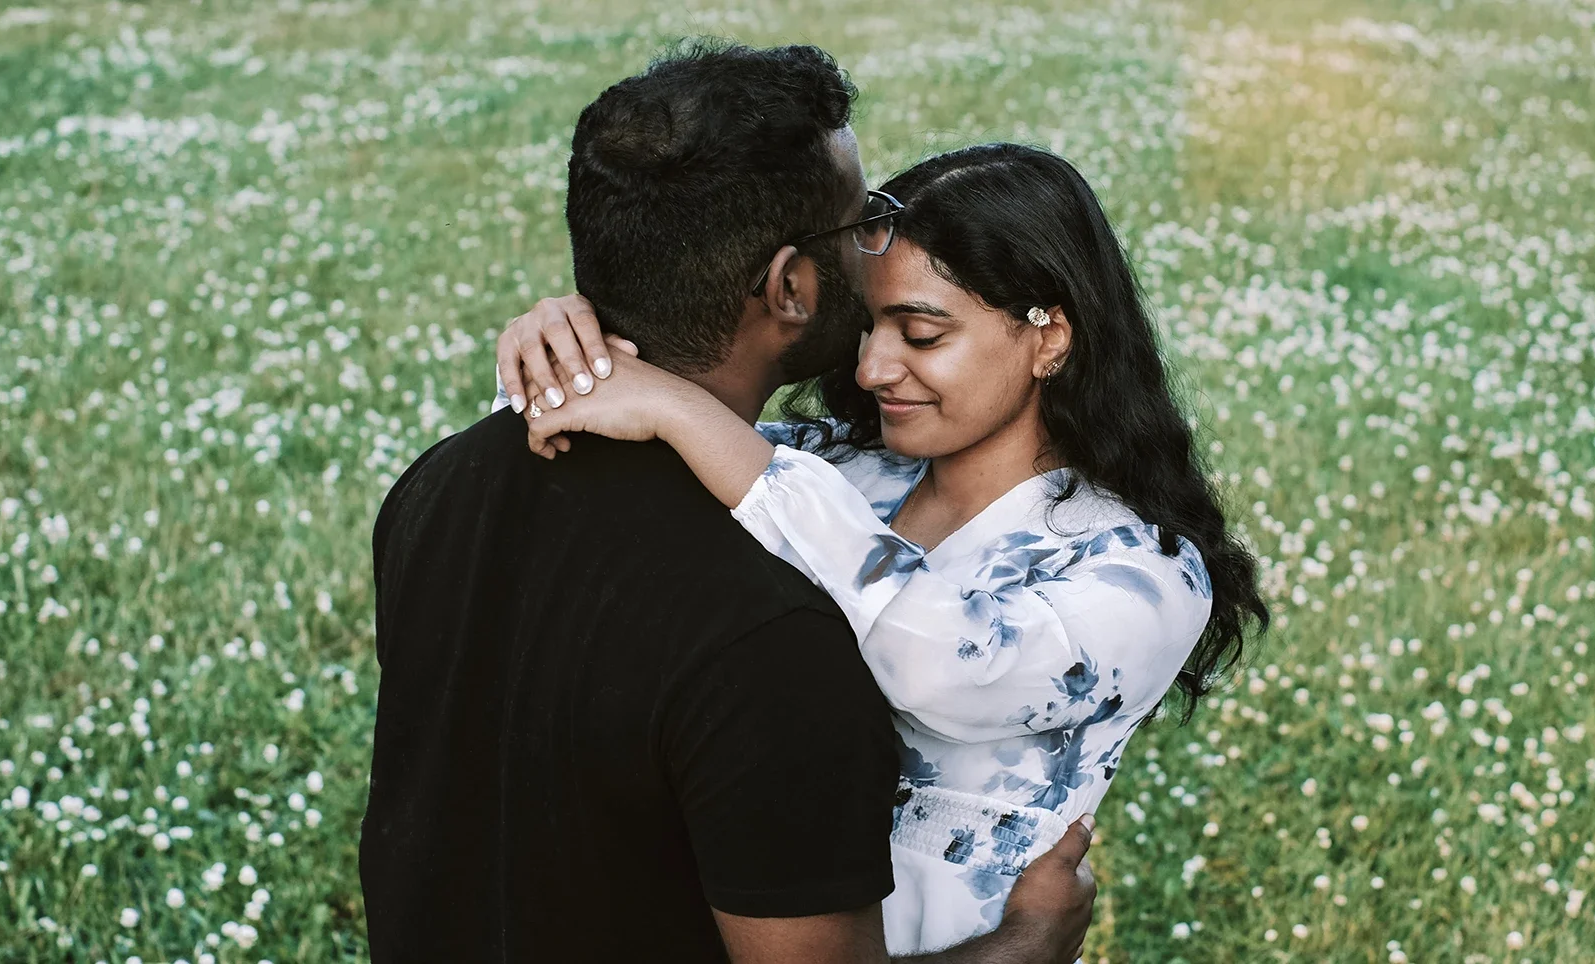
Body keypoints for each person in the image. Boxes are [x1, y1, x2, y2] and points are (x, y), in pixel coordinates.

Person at [362, 44, 1098, 964]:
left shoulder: (444, 480)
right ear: (791, 286)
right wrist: (1029, 942)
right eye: (862, 222)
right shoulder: (777, 629)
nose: (877, 245)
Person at [497, 142, 1270, 953]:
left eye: (922, 334)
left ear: (1050, 339)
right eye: (866, 325)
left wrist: (689, 418)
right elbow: (601, 448)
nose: (870, 369)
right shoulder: (840, 468)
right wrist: (564, 349)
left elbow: (949, 667)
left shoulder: (1141, 569)